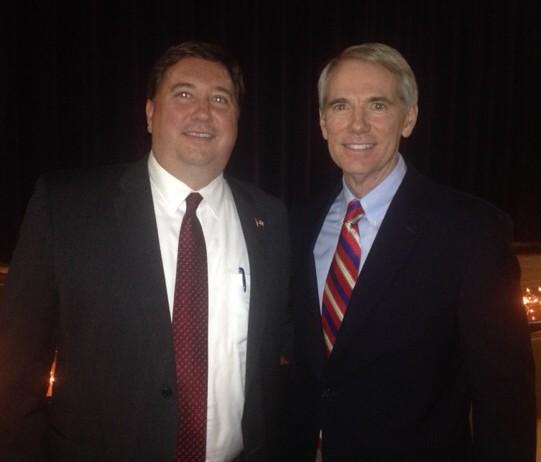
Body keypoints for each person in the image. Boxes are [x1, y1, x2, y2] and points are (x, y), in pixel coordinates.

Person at [0, 41, 289, 462]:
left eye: (220, 99)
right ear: (150, 113)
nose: (203, 112)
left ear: (237, 120)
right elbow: (14, 375)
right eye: (184, 94)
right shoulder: (67, 208)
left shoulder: (271, 219)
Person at [288, 43, 536, 461]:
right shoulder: (297, 223)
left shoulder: (472, 232)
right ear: (323, 122)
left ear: (409, 118)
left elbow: (505, 402)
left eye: (378, 105)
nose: (358, 125)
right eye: (341, 106)